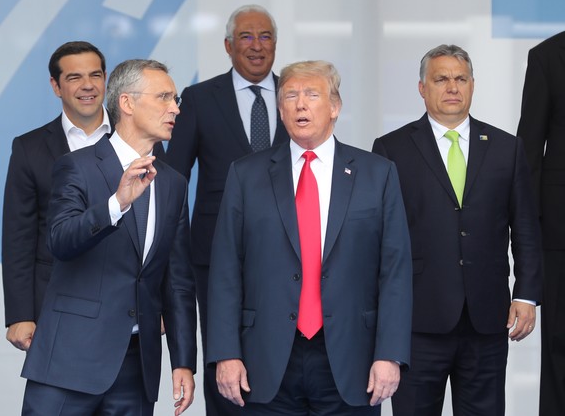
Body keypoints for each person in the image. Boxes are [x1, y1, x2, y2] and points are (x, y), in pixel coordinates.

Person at [207, 60, 412, 415]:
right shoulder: (245, 174)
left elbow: (395, 271)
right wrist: (226, 352)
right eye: (290, 95)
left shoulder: (378, 174)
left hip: (353, 359)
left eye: (312, 94)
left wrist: (390, 355)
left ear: (335, 106)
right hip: (265, 360)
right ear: (280, 110)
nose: (300, 104)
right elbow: (226, 270)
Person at [372, 44, 543, 416]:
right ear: (422, 88)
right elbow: (380, 240)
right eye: (441, 79)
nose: (452, 86)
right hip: (418, 320)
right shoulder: (390, 150)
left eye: (460, 78)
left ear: (472, 85)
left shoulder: (507, 148)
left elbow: (526, 227)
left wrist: (527, 294)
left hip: (487, 319)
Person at [20, 59, 197, 416]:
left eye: (175, 98)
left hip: (137, 366)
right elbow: (60, 240)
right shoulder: (78, 166)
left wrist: (183, 362)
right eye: (163, 97)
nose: (175, 108)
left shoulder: (174, 182)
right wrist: (117, 203)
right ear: (127, 103)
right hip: (70, 361)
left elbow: (177, 280)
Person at [165, 4, 289, 415]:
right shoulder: (199, 98)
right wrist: (174, 254)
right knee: (224, 351)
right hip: (214, 252)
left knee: (284, 347)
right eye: (246, 38)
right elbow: (173, 180)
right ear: (228, 46)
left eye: (265, 37)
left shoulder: (297, 93)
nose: (257, 46)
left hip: (291, 251)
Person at [2, 41, 112, 351]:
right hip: (54, 305)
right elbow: (18, 237)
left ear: (106, 79)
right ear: (56, 86)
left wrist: (157, 306)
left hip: (125, 308)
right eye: (74, 77)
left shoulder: (139, 139)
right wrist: (20, 314)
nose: (88, 85)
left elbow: (159, 228)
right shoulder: (29, 148)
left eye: (95, 75)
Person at [516, 30, 565, 416]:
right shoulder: (548, 56)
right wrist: (528, 234)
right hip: (561, 235)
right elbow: (528, 153)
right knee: (560, 351)